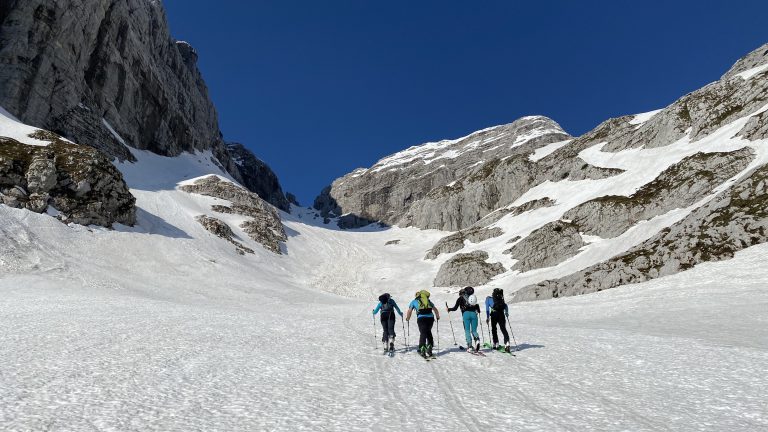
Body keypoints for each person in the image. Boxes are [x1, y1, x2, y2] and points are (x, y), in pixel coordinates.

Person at [406, 290, 440, 358]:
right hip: (430, 318)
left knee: (423, 333)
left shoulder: (414, 301)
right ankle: (430, 347)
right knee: (428, 332)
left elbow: (409, 311)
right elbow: (435, 309)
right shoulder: (428, 300)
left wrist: (408, 318)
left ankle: (422, 349)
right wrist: (437, 317)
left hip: (421, 318)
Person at [447, 286, 481, 352]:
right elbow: (478, 309)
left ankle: (470, 346)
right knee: (474, 330)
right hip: (474, 314)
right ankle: (477, 340)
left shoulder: (460, 298)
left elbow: (455, 308)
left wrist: (449, 309)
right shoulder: (472, 297)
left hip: (466, 315)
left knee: (467, 330)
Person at [485, 288, 511, 352]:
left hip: (494, 315)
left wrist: (488, 317)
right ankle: (507, 343)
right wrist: (506, 313)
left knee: (494, 329)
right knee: (503, 329)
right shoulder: (501, 299)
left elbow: (487, 309)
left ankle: (496, 343)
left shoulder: (488, 299)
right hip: (501, 314)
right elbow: (506, 306)